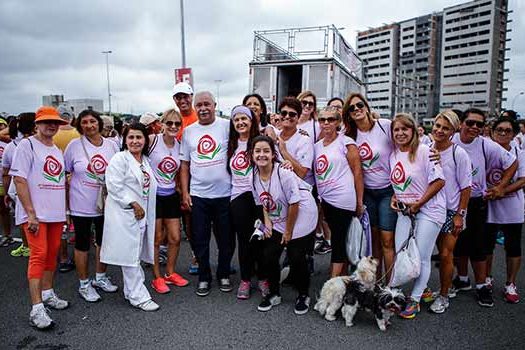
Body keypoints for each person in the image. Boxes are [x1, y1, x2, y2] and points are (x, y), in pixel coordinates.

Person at [11, 106, 70, 329]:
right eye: (46, 122)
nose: (51, 125)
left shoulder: (56, 149)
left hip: (55, 214)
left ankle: (48, 293)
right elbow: (19, 180)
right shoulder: (26, 146)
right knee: (38, 255)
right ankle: (36, 309)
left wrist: (64, 212)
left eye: (55, 122)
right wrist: (30, 213)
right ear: (37, 124)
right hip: (35, 215)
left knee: (51, 254)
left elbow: (59, 182)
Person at [451, 108, 517, 308]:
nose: (474, 127)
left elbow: (512, 163)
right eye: (470, 123)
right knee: (457, 245)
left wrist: (500, 187)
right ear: (461, 123)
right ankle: (462, 279)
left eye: (479, 124)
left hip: (476, 201)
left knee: (478, 247)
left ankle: (481, 286)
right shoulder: (450, 139)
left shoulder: (485, 145)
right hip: (452, 202)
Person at [251, 135, 318, 314]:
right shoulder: (254, 175)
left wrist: (288, 232)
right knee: (269, 254)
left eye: (266, 151)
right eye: (257, 151)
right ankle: (274, 294)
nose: (262, 155)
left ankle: (303, 294)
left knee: (296, 255)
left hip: (301, 211)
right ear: (252, 154)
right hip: (279, 214)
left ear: (274, 154)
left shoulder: (284, 173)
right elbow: (262, 201)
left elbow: (294, 203)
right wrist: (267, 223)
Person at [389, 113, 446, 319]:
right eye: (396, 129)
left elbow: (439, 181)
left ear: (413, 130)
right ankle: (418, 290)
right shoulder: (393, 155)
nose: (400, 133)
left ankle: (415, 299)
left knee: (421, 256)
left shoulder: (424, 151)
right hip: (406, 211)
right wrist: (395, 197)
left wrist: (419, 203)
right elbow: (399, 182)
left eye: (405, 129)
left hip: (430, 210)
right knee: (402, 252)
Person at [100, 123, 159, 311]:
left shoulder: (145, 161)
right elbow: (114, 186)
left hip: (141, 216)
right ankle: (138, 296)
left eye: (139, 137)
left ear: (145, 140)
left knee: (135, 254)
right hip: (126, 214)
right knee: (130, 256)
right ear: (125, 140)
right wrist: (132, 203)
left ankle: (131, 291)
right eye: (131, 137)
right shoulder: (120, 159)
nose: (135, 141)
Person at [180, 91, 233, 297]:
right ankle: (204, 276)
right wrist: (185, 192)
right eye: (199, 105)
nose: (203, 108)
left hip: (224, 194)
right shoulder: (189, 132)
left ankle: (223, 273)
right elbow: (184, 164)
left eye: (206, 104)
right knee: (200, 239)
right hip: (199, 195)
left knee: (226, 239)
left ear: (214, 105)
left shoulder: (226, 126)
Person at [63, 110, 120, 302]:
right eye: (84, 122)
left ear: (99, 123)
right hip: (81, 204)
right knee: (82, 244)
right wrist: (65, 207)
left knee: (104, 242)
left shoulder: (112, 145)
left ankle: (101, 277)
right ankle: (84, 284)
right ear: (80, 125)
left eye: (92, 121)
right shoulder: (74, 146)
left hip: (106, 203)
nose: (89, 125)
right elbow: (65, 174)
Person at [342, 92, 397, 281]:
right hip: (367, 193)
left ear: (366, 106)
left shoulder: (385, 126)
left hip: (388, 191)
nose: (356, 109)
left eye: (359, 105)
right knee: (373, 243)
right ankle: (376, 282)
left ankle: (391, 286)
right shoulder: (348, 136)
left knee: (387, 240)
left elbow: (407, 145)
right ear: (348, 114)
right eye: (351, 108)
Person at [428, 110, 472, 314]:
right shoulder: (426, 148)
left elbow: (466, 187)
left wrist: (459, 215)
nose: (440, 130)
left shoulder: (459, 153)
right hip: (431, 209)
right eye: (437, 126)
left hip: (451, 211)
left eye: (445, 128)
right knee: (429, 252)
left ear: (453, 131)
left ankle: (444, 296)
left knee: (446, 255)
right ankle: (443, 287)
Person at [314, 107, 364, 277]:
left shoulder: (346, 142)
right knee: (336, 240)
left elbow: (357, 172)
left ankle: (333, 283)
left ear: (338, 122)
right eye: (322, 120)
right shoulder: (316, 146)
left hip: (343, 200)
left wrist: (359, 202)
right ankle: (340, 280)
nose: (326, 123)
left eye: (330, 119)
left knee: (339, 242)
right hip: (325, 200)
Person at [226, 105, 267, 299]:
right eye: (236, 120)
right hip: (238, 196)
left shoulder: (260, 141)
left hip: (259, 197)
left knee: (260, 238)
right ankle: (245, 279)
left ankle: (263, 278)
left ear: (252, 121)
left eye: (244, 119)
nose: (241, 123)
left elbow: (274, 160)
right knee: (244, 240)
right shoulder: (230, 145)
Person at [148, 109, 189, 294]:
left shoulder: (180, 145)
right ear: (162, 123)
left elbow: (182, 171)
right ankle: (156, 277)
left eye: (177, 124)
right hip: (153, 195)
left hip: (171, 195)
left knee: (175, 237)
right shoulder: (152, 140)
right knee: (156, 239)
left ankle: (170, 272)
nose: (173, 127)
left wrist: (183, 192)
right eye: (169, 123)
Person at [485, 116, 524, 303]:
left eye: (507, 130)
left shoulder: (521, 153)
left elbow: (523, 179)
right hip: (489, 205)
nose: (502, 133)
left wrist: (501, 190)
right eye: (498, 129)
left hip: (512, 205)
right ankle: (487, 278)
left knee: (513, 246)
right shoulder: (486, 150)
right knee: (487, 245)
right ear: (492, 132)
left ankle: (510, 283)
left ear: (514, 134)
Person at [172, 82, 198, 274]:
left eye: (185, 96)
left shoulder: (200, 118)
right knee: (186, 222)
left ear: (191, 96)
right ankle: (196, 255)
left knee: (199, 221)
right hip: (176, 180)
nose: (182, 100)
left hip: (198, 178)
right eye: (178, 97)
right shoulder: (173, 121)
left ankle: (201, 257)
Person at [2, 113, 36, 257]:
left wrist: (6, 192)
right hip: (40, 191)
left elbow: (6, 172)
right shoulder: (44, 144)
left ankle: (27, 245)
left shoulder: (12, 146)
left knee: (24, 217)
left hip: (21, 190)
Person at [53, 106, 80, 273]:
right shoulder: (77, 134)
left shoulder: (52, 134)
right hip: (75, 181)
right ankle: (80, 252)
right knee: (78, 219)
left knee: (60, 220)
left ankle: (62, 257)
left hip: (55, 181)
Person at [0, 117, 13, 247]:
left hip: (10, 179)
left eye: (1, 126)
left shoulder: (9, 143)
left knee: (6, 209)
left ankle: (8, 234)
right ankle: (6, 234)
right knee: (2, 209)